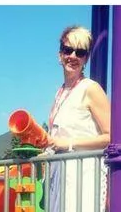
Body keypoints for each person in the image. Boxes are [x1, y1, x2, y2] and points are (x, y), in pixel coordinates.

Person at [45, 26, 110, 212]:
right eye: (68, 50)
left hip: (84, 178)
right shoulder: (60, 92)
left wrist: (68, 143)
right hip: (59, 175)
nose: (73, 56)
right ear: (60, 54)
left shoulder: (91, 89)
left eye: (80, 52)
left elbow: (111, 136)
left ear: (86, 59)